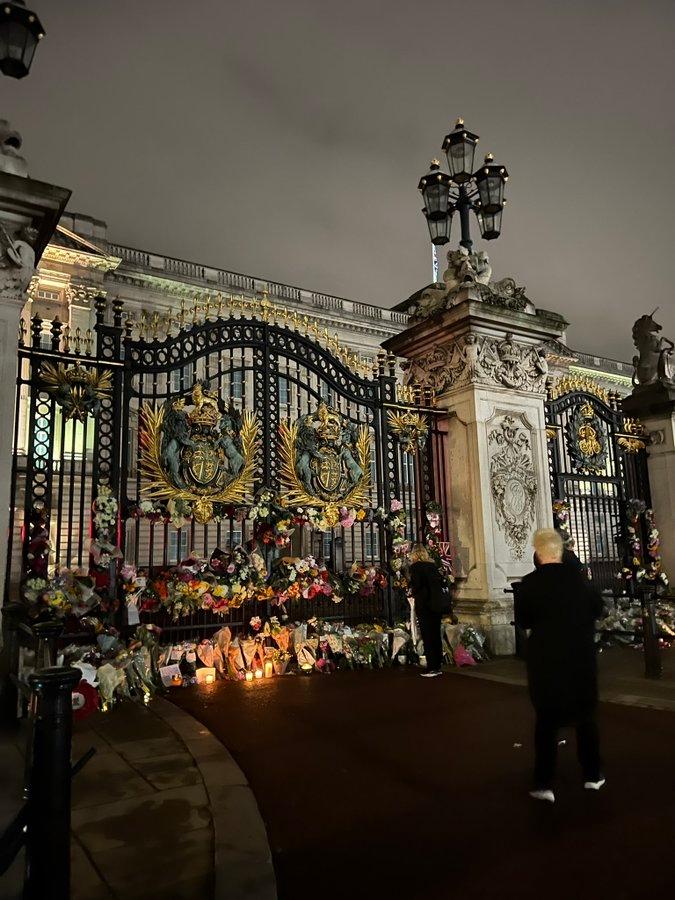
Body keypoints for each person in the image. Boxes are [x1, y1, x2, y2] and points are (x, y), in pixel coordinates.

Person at [515, 528, 604, 803]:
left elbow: (524, 621)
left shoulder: (528, 585)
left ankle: (544, 781)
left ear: (538, 553)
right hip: (580, 657)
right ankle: (593, 774)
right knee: (586, 718)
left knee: (546, 721)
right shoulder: (580, 582)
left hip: (546, 661)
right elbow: (599, 610)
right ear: (561, 552)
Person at [408, 545, 454, 678]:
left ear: (415, 555)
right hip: (436, 606)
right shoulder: (433, 567)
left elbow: (417, 586)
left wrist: (412, 591)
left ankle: (432, 667)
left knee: (428, 637)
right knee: (435, 636)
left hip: (425, 606)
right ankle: (437, 665)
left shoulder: (416, 567)